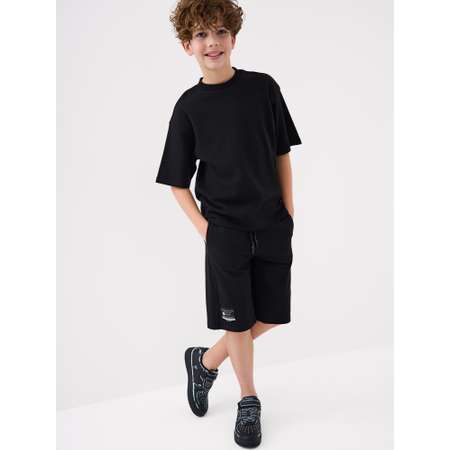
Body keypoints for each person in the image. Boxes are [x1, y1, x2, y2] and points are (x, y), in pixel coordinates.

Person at [155, 0, 302, 447]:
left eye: (219, 31)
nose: (212, 42)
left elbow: (281, 153)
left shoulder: (263, 89)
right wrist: (208, 231)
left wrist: (289, 212)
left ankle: (204, 362)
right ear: (187, 46)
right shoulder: (188, 107)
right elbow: (177, 182)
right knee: (237, 322)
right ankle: (248, 400)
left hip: (271, 223)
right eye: (200, 34)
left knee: (271, 315)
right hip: (224, 231)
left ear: (233, 38)